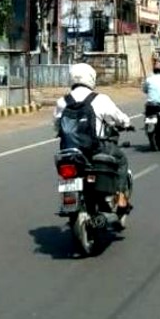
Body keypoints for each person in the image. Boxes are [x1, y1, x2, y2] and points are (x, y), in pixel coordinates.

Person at [54, 63, 132, 212]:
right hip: (95, 148)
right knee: (121, 160)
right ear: (91, 78)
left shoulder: (62, 101)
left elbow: (56, 126)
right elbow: (118, 118)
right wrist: (126, 123)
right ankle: (121, 199)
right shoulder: (100, 99)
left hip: (70, 152)